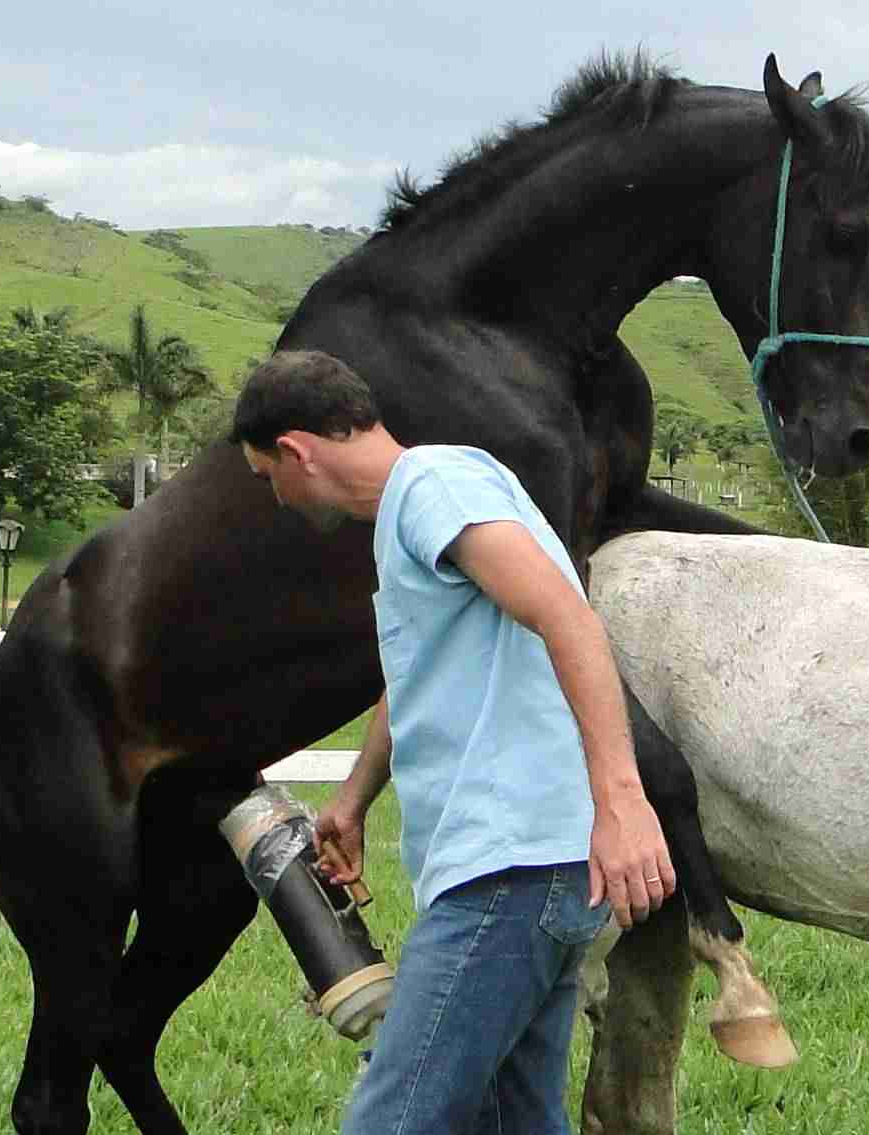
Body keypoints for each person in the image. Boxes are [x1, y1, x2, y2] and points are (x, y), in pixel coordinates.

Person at [229, 349, 674, 1134]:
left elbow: (567, 617)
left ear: (298, 449)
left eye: (268, 475)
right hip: (531, 869)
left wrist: (622, 798)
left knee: (394, 1117)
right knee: (514, 1118)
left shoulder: (435, 488)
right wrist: (357, 796)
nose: (277, 496)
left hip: (507, 870)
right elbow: (419, 670)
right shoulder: (422, 502)